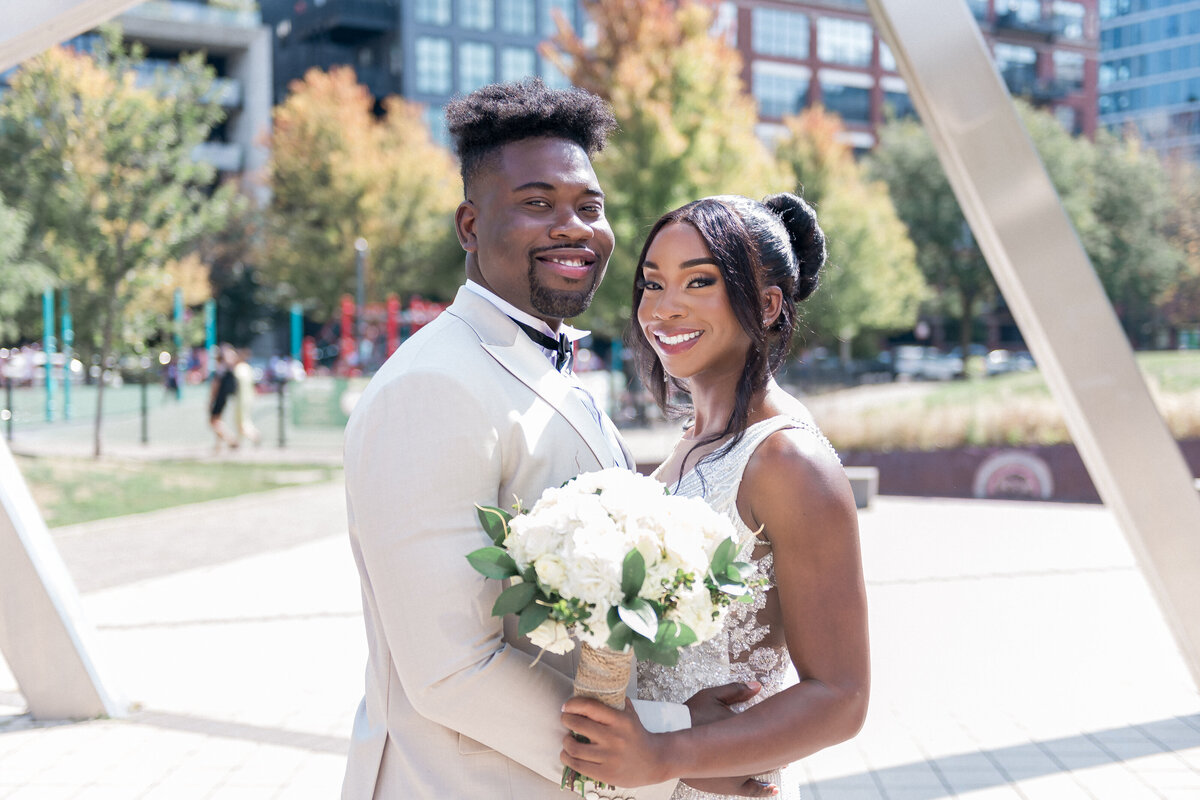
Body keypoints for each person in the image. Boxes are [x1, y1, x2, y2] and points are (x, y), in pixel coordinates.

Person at [340, 80, 764, 800]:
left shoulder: (550, 366)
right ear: (470, 225)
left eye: (589, 207)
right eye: (537, 203)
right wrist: (669, 746)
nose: (574, 227)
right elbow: (451, 671)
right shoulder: (432, 388)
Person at [558, 194, 870, 799]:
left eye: (699, 281)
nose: (664, 309)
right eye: (652, 285)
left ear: (770, 304)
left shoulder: (787, 460)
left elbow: (842, 697)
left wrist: (667, 753)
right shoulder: (691, 442)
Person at [208, 344, 238, 451]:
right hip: (223, 397)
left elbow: (215, 386)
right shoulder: (226, 369)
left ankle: (231, 439)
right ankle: (218, 446)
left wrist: (210, 400)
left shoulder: (220, 370)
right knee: (218, 420)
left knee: (214, 421)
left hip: (219, 398)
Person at [231, 347, 261, 446]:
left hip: (242, 399)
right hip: (247, 399)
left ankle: (254, 436)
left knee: (242, 422)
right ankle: (238, 442)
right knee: (243, 421)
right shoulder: (247, 368)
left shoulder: (239, 368)